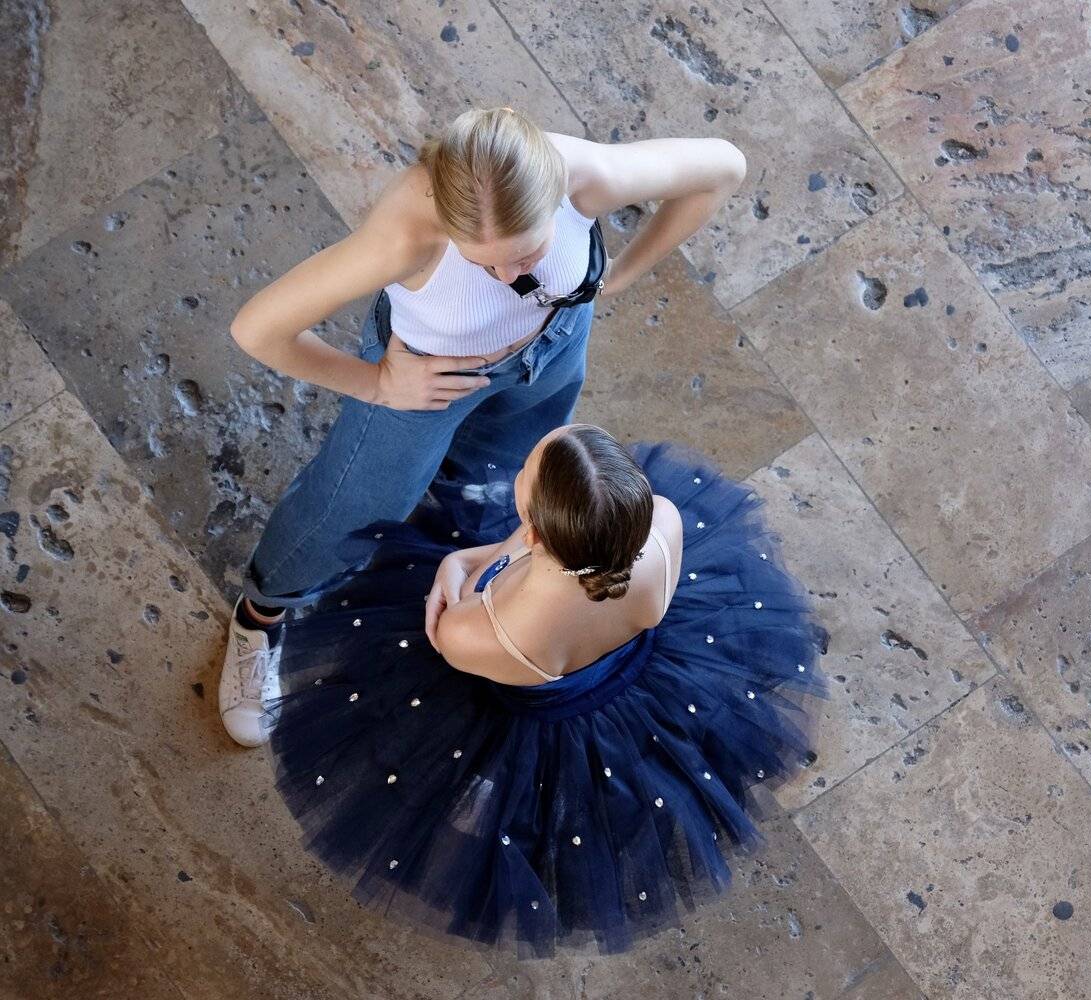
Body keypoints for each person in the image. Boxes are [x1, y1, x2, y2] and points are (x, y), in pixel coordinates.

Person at [219, 107, 747, 747]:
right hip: (430, 380)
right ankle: (261, 614)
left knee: (500, 472)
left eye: (524, 254)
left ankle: (457, 534)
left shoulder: (583, 174)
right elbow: (257, 328)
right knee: (351, 508)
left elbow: (724, 168)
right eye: (484, 265)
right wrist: (378, 383)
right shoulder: (403, 237)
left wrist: (616, 278)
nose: (508, 277)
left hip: (553, 349)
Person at [267, 425, 824, 955]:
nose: (519, 469)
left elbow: (452, 627)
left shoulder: (490, 631)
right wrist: (500, 548)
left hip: (533, 701)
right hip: (634, 662)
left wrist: (455, 564)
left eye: (524, 472)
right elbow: (543, 556)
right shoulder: (661, 522)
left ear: (534, 531)